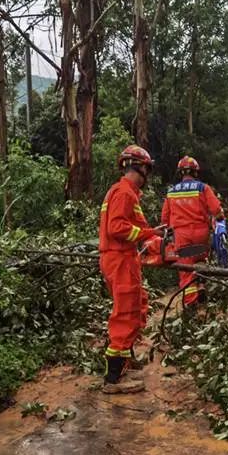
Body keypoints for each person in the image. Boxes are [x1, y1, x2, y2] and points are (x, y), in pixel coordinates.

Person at [98, 145, 164, 393]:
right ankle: (113, 379)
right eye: (147, 168)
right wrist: (149, 233)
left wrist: (154, 239)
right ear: (140, 167)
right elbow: (118, 228)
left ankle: (124, 361)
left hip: (124, 258)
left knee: (137, 305)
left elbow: (137, 227)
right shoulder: (124, 193)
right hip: (120, 258)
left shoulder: (126, 192)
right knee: (125, 314)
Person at [161, 156, 224, 306]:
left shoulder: (171, 192)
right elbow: (216, 210)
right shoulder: (203, 188)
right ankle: (201, 284)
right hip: (201, 234)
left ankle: (191, 304)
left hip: (181, 236)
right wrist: (220, 218)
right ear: (196, 172)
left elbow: (164, 218)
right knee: (201, 258)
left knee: (186, 268)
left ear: (180, 173)